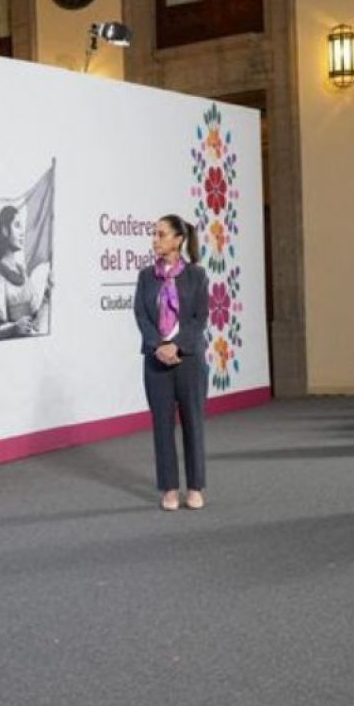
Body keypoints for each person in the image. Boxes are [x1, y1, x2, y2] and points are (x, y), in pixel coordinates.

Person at [134, 214, 210, 511]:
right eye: (154, 234)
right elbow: (141, 316)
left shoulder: (197, 275)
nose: (155, 239)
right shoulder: (145, 276)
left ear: (178, 239)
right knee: (162, 426)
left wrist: (177, 345)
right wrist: (159, 346)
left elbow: (199, 319)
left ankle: (195, 487)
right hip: (156, 361)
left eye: (161, 234)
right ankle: (169, 488)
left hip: (189, 359)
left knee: (193, 423)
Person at [0, 204, 51, 341]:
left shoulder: (21, 272)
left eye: (22, 227)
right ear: (5, 230)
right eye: (17, 226)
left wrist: (47, 296)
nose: (22, 233)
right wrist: (14, 328)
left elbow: (35, 320)